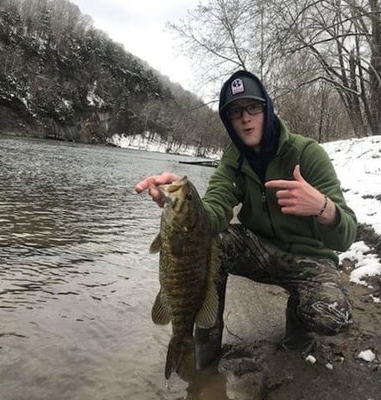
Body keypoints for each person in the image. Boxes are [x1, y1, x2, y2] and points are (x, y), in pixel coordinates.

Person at [135, 70, 357, 370]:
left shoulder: (308, 153)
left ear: (266, 108)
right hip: (261, 252)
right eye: (235, 111)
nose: (245, 118)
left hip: (310, 259)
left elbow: (344, 238)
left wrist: (322, 207)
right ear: (228, 120)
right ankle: (204, 357)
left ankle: (299, 319)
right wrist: (184, 204)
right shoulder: (233, 160)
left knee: (333, 315)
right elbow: (212, 216)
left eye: (253, 107)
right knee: (216, 243)